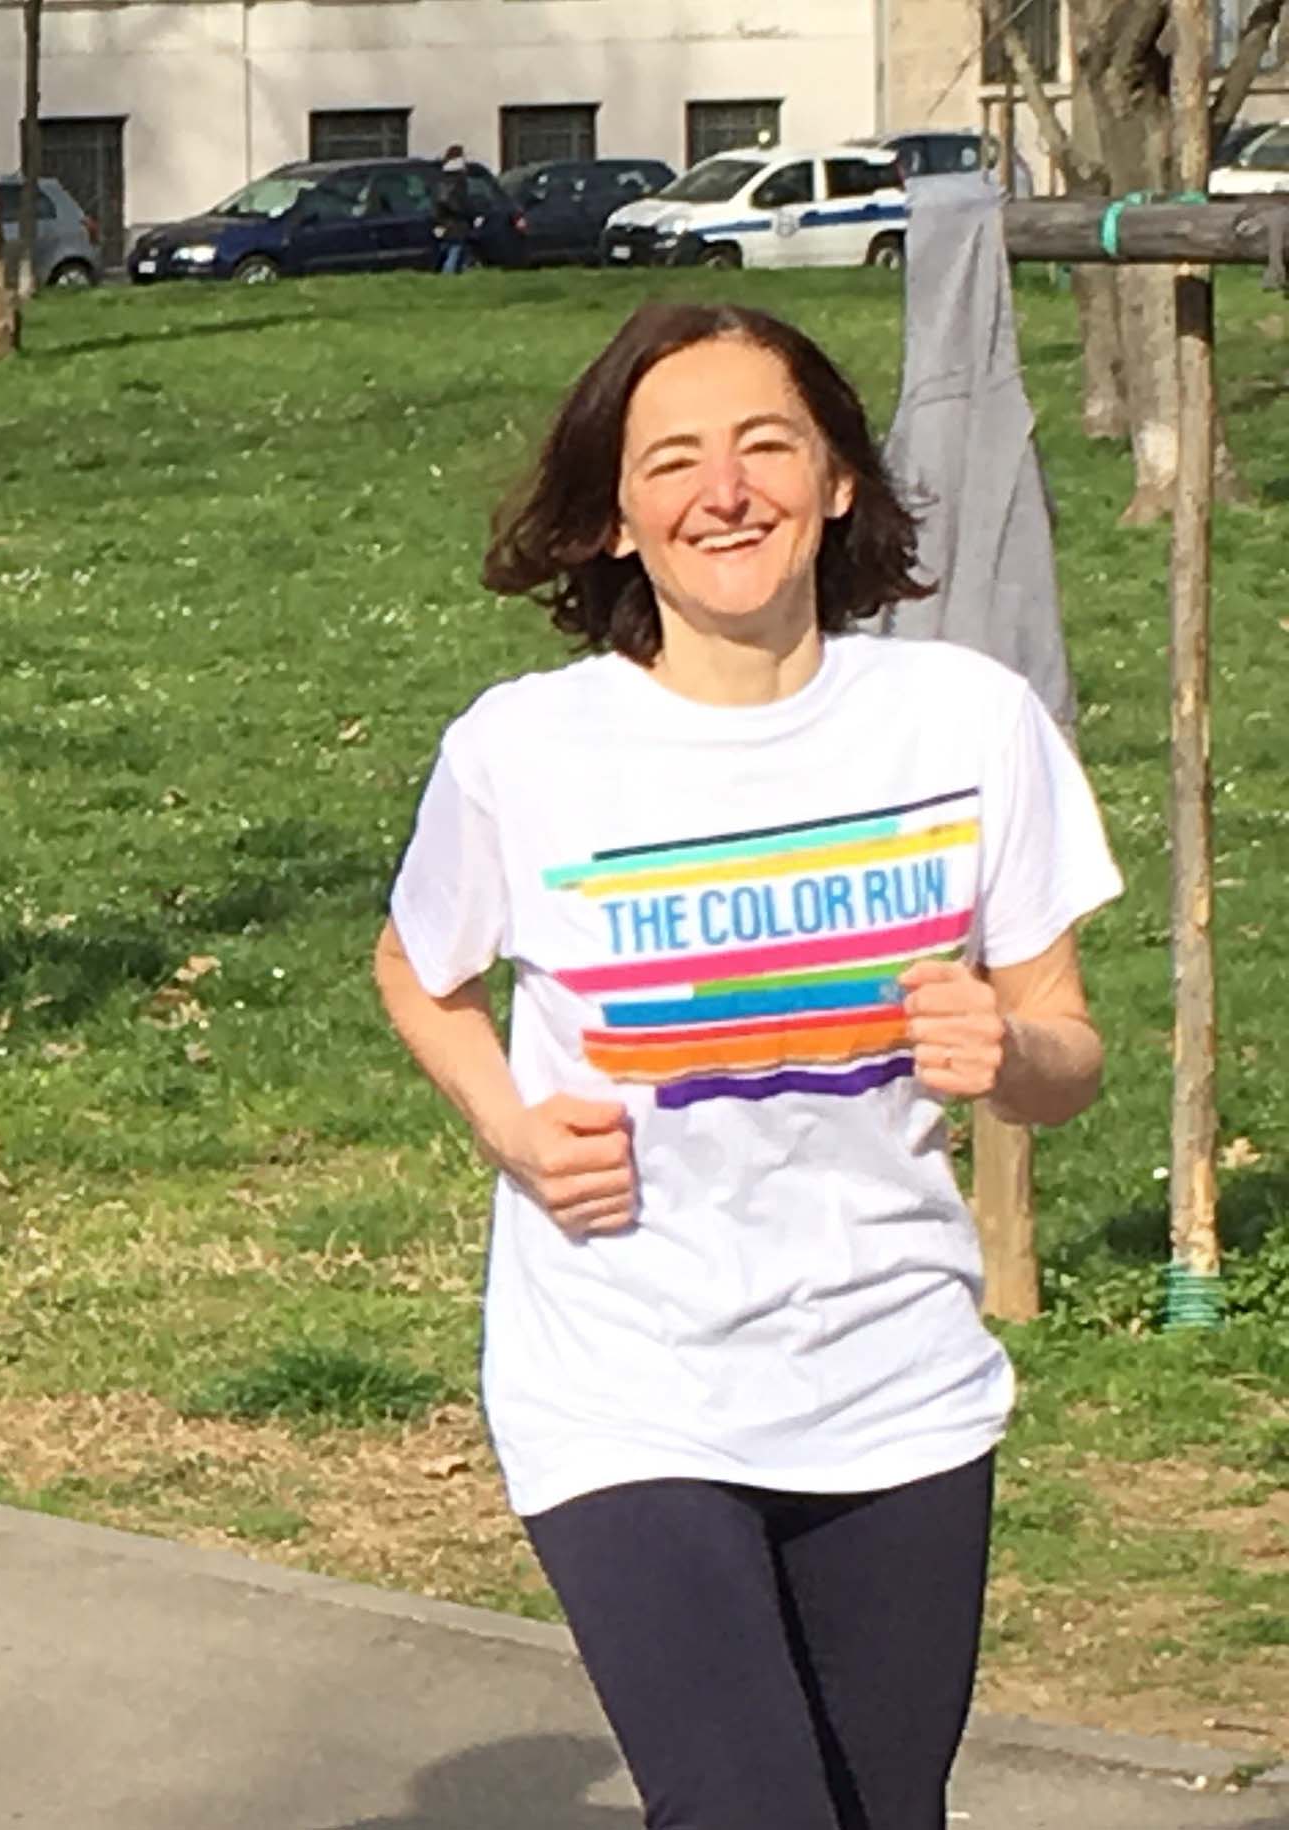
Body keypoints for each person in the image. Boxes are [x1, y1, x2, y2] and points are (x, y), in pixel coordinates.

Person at [374, 299, 1117, 1830]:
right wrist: (510, 1127)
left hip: (895, 1376)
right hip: (627, 1375)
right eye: (674, 462)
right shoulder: (528, 750)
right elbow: (418, 969)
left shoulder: (963, 722)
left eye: (767, 446)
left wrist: (1013, 1048)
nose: (727, 490)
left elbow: (1067, 1046)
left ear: (838, 480)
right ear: (617, 520)